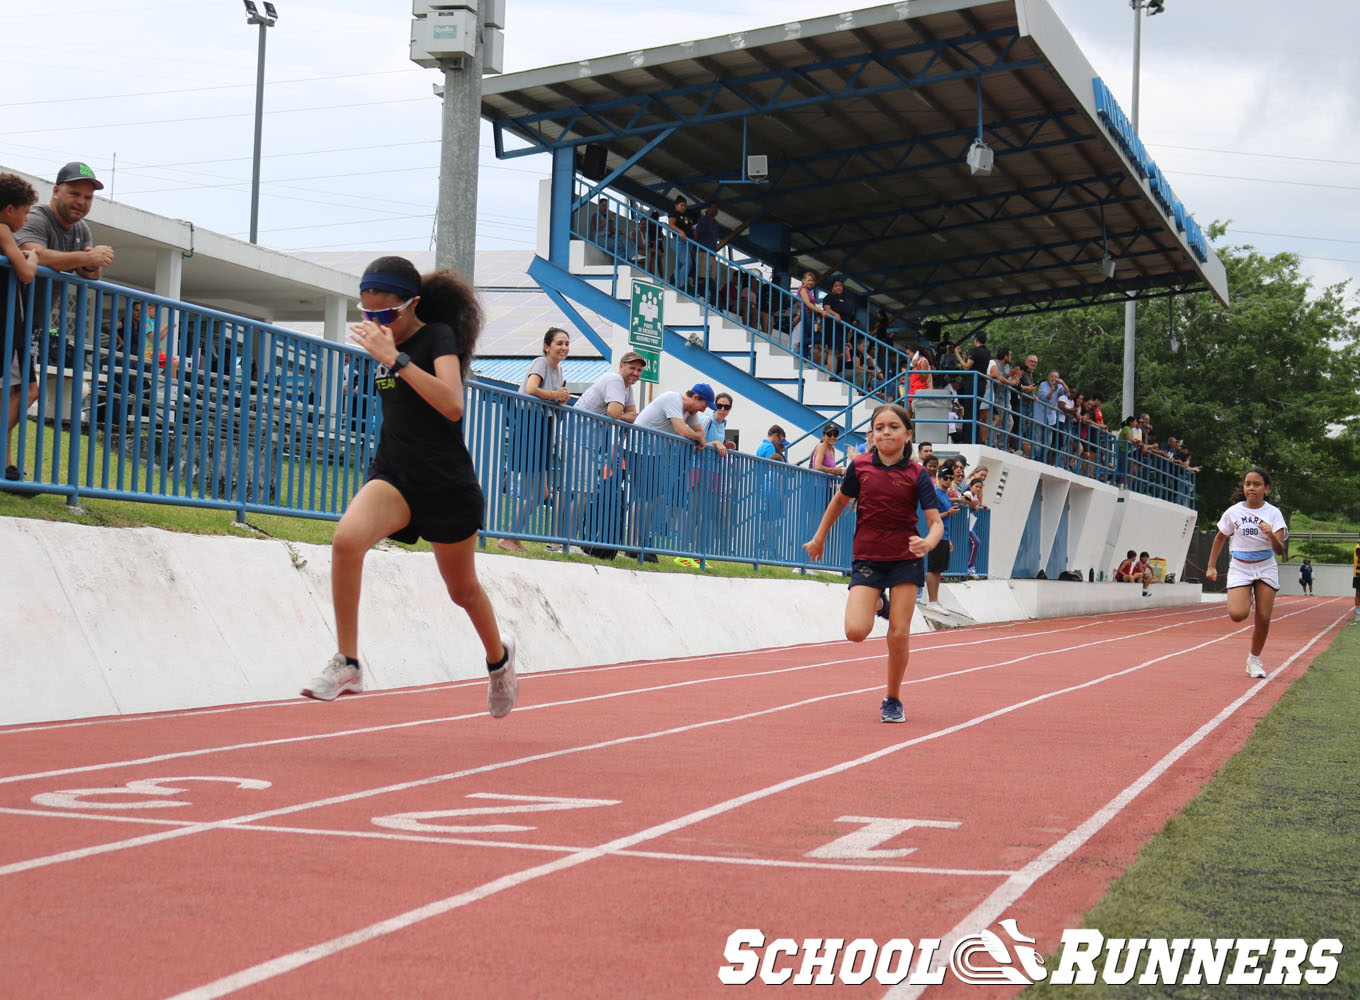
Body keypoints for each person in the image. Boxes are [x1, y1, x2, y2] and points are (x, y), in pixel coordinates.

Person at [301, 255, 518, 717]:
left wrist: (396, 360)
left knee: (462, 591)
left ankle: (499, 659)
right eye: (367, 315)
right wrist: (387, 356)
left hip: (445, 485)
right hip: (395, 474)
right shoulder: (385, 347)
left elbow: (453, 405)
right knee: (345, 541)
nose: (376, 324)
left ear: (412, 305)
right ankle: (349, 662)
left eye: (385, 315)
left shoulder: (436, 338)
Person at [802, 402, 945, 723]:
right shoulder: (861, 466)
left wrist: (928, 542)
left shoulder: (917, 474)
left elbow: (936, 523)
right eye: (879, 428)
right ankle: (880, 603)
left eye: (893, 427)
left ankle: (893, 698)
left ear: (908, 435)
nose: (886, 433)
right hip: (868, 557)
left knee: (898, 634)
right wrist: (819, 538)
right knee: (855, 631)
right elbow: (839, 502)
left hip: (906, 559)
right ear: (871, 434)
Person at [1205, 466, 1288, 679]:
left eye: (1257, 484)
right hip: (1240, 567)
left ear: (1266, 489)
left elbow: (1279, 550)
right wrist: (1211, 566)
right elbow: (1220, 538)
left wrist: (1271, 534)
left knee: (1263, 617)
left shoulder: (1273, 513)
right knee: (1237, 615)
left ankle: (1254, 660)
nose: (1251, 488)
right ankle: (1246, 596)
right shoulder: (1234, 512)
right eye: (1248, 484)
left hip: (1265, 566)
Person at [499, 327, 571, 552]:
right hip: (531, 423)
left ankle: (513, 536)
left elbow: (550, 397)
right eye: (560, 343)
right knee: (537, 492)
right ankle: (507, 537)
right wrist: (555, 395)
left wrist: (560, 400)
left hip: (543, 426)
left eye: (567, 343)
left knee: (542, 492)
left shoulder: (558, 371)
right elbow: (531, 389)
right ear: (547, 346)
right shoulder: (541, 362)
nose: (564, 347)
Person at [1, 174, 39, 486]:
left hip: (8, 322)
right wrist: (34, 255)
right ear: (9, 209)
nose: (26, 219)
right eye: (25, 212)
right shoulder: (2, 231)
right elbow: (26, 273)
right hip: (5, 324)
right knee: (28, 387)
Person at [921, 453, 958, 605]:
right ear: (939, 478)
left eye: (951, 478)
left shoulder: (945, 495)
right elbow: (934, 516)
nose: (948, 481)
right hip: (936, 536)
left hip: (944, 536)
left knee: (938, 570)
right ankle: (932, 600)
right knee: (933, 568)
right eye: (946, 478)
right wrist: (948, 513)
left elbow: (945, 520)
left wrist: (949, 539)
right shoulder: (936, 493)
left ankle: (935, 599)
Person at [953, 331, 991, 445]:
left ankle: (968, 439)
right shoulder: (987, 352)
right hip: (981, 384)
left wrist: (957, 354)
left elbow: (966, 367)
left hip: (972, 383)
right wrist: (967, 357)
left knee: (969, 412)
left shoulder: (976, 351)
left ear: (976, 339)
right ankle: (975, 438)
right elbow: (977, 365)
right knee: (975, 412)